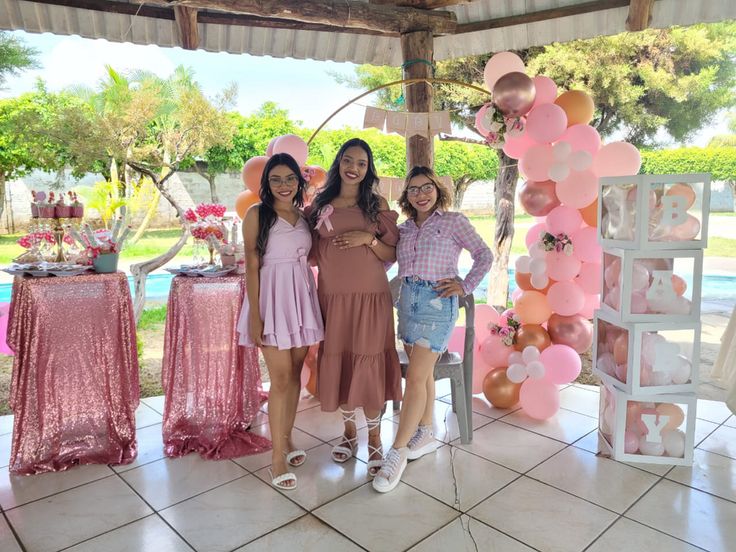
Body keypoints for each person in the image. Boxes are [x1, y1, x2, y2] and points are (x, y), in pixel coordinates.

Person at [373, 165, 493, 493]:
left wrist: (465, 286)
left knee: (414, 377)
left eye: (427, 187)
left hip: (438, 306)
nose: (421, 194)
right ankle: (425, 431)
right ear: (406, 195)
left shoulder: (453, 222)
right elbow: (385, 262)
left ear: (437, 190)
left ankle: (396, 452)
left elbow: (484, 254)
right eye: (413, 189)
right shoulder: (405, 229)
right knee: (421, 374)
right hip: (408, 303)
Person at [306, 138, 402, 477]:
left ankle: (374, 439)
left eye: (362, 163)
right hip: (333, 299)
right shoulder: (319, 205)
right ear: (338, 163)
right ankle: (349, 435)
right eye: (349, 160)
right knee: (343, 364)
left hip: (371, 299)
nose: (354, 168)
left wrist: (369, 239)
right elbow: (306, 249)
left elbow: (392, 254)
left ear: (368, 169)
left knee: (370, 365)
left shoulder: (377, 204)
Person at [237, 153, 324, 491]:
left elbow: (314, 256)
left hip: (301, 299)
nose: (284, 185)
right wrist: (256, 315)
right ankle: (276, 458)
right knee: (281, 378)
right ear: (266, 184)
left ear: (299, 182)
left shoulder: (304, 218)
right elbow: (251, 266)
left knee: (296, 376)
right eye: (276, 179)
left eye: (290, 179)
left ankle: (287, 440)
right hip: (271, 301)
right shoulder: (257, 214)